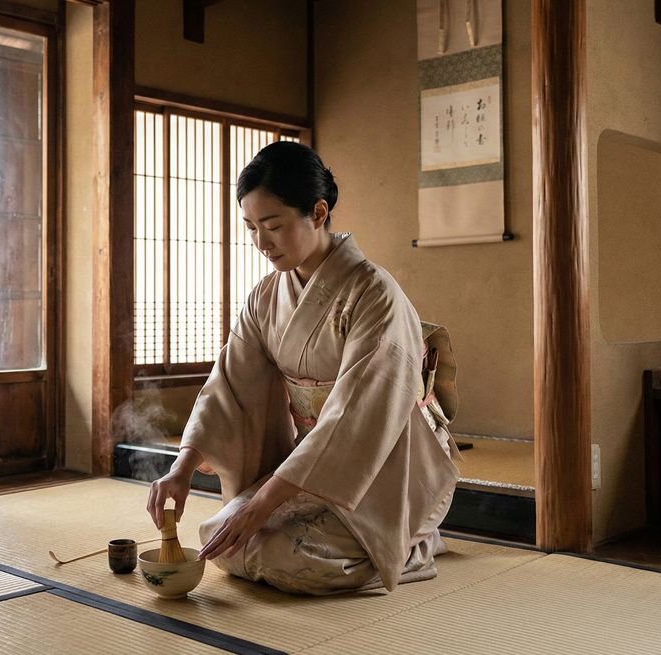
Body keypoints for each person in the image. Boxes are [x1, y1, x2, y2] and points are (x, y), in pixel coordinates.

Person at [146, 141, 462, 595]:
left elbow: (354, 419)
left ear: (317, 212)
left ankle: (412, 541)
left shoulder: (375, 295)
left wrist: (262, 503)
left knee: (287, 558)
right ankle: (379, 542)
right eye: (251, 228)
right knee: (224, 539)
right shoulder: (265, 296)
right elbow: (228, 387)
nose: (261, 243)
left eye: (273, 226)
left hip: (390, 468)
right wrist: (181, 469)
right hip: (312, 463)